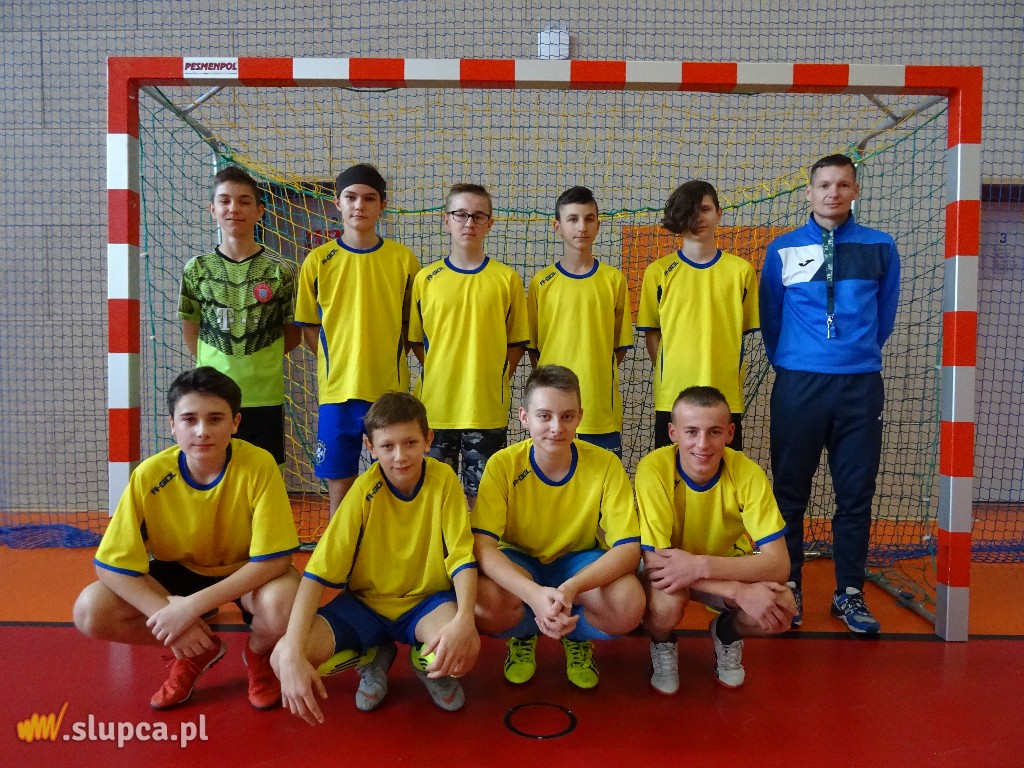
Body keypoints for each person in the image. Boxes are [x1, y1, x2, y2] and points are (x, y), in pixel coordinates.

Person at [73, 367, 301, 710]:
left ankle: (258, 654)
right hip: (179, 572)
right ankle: (197, 651)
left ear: (235, 422)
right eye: (189, 419)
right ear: (172, 425)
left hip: (245, 573)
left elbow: (276, 560)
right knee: (90, 610)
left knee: (286, 603)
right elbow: (110, 565)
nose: (202, 431)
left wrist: (190, 608)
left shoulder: (259, 465)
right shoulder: (149, 475)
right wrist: (170, 617)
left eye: (215, 419)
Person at [271, 392, 479, 724]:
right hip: (365, 605)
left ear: (428, 440)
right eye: (387, 446)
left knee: (464, 651)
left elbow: (461, 557)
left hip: (426, 604)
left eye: (410, 443)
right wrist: (294, 651)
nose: (400, 456)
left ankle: (424, 662)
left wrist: (465, 619)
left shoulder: (444, 481)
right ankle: (371, 655)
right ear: (370, 446)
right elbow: (316, 573)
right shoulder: (362, 491)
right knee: (282, 657)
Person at [760, 153, 900, 635]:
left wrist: (852, 356)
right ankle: (790, 585)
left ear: (855, 190)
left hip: (860, 385)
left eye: (842, 184)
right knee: (789, 493)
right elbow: (771, 317)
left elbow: (884, 316)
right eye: (824, 185)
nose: (833, 193)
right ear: (809, 192)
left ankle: (849, 592)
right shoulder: (782, 248)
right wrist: (797, 361)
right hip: (799, 384)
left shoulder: (881, 246)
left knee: (855, 493)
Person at [472, 365, 644, 690]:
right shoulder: (502, 464)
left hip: (578, 562)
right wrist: (534, 594)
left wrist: (571, 589)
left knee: (629, 604)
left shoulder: (606, 464)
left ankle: (574, 635)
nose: (556, 427)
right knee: (482, 602)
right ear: (524, 417)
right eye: (544, 416)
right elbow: (483, 546)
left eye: (567, 416)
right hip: (521, 562)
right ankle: (526, 632)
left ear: (580, 417)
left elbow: (628, 548)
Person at [635, 386, 796, 693]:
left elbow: (779, 564)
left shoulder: (748, 473)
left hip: (720, 565)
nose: (702, 444)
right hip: (671, 573)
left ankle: (727, 631)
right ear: (672, 433)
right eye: (691, 431)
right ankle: (662, 641)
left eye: (714, 432)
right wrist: (737, 591)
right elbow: (655, 562)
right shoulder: (653, 468)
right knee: (666, 604)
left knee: (782, 606)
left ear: (730, 433)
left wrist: (699, 566)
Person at [295, 163, 421, 517]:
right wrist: (335, 361)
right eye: (351, 197)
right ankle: (342, 547)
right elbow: (309, 327)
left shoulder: (403, 260)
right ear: (337, 202)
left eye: (369, 198)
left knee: (396, 477)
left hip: (389, 391)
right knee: (340, 484)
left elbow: (413, 327)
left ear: (382, 205)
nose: (359, 205)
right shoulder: (318, 261)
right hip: (338, 392)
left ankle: (393, 543)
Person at [408, 183, 529, 507]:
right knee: (434, 500)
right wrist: (441, 372)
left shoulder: (507, 279)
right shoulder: (426, 279)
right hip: (435, 411)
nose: (469, 223)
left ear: (490, 223)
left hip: (485, 410)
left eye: (478, 216)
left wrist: (491, 377)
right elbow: (417, 342)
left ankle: (477, 546)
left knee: (484, 501)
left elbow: (516, 343)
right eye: (460, 214)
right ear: (446, 220)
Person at [178, 166, 301, 465]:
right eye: (225, 200)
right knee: (213, 475)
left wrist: (258, 362)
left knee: (264, 476)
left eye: (244, 201)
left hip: (264, 398)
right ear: (213, 209)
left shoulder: (282, 270)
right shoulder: (197, 269)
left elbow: (292, 334)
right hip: (212, 399)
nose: (234, 208)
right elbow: (191, 330)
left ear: (259, 211)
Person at [637, 180, 759, 451]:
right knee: (670, 471)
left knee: (724, 472)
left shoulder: (741, 272)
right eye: (690, 211)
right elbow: (652, 334)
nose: (698, 218)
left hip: (725, 397)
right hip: (672, 397)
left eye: (705, 209)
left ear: (719, 213)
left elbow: (740, 332)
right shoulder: (658, 272)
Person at [527, 186, 633, 457]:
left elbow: (618, 347)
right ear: (557, 226)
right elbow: (534, 349)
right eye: (572, 219)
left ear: (598, 225)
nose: (582, 227)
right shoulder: (542, 283)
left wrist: (593, 371)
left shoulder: (614, 281)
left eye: (589, 218)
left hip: (599, 412)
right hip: (553, 414)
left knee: (602, 481)